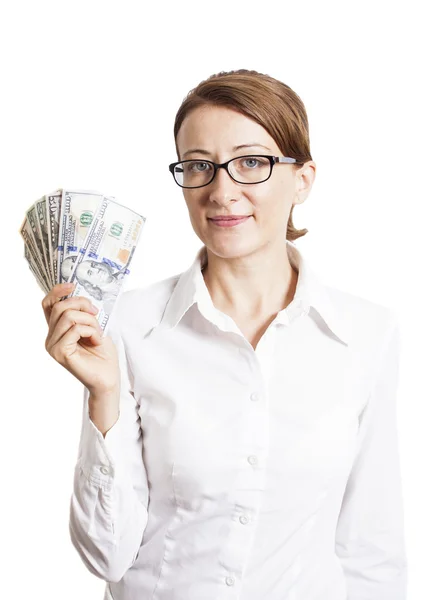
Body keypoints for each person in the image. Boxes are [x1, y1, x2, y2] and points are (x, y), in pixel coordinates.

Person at [42, 69, 407, 600]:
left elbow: (372, 550)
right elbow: (106, 554)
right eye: (199, 166)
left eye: (252, 162)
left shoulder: (367, 334)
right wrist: (103, 395)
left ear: (302, 179)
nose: (221, 190)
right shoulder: (127, 326)